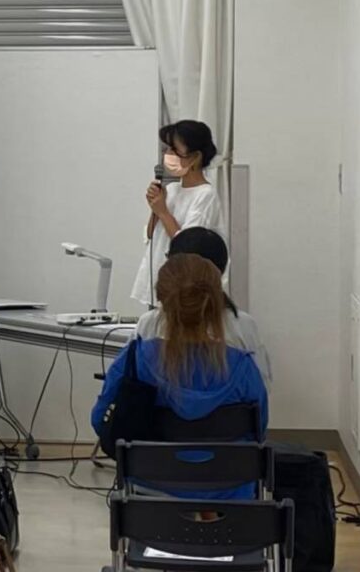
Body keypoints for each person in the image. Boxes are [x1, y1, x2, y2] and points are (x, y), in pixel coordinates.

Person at [93, 254, 267, 499]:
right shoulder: (242, 366)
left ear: (162, 303)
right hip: (229, 491)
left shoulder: (135, 359)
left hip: (150, 488)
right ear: (215, 304)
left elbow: (100, 420)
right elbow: (259, 429)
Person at [136, 227, 272, 387]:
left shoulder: (149, 324)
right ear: (220, 271)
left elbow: (122, 386)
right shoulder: (243, 325)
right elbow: (262, 385)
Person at [132, 120, 227, 307]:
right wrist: (155, 208)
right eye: (167, 149)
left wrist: (163, 211)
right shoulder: (172, 189)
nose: (168, 155)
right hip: (157, 278)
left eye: (174, 150)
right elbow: (150, 235)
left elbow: (189, 246)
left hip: (183, 287)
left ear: (195, 157)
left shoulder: (205, 195)